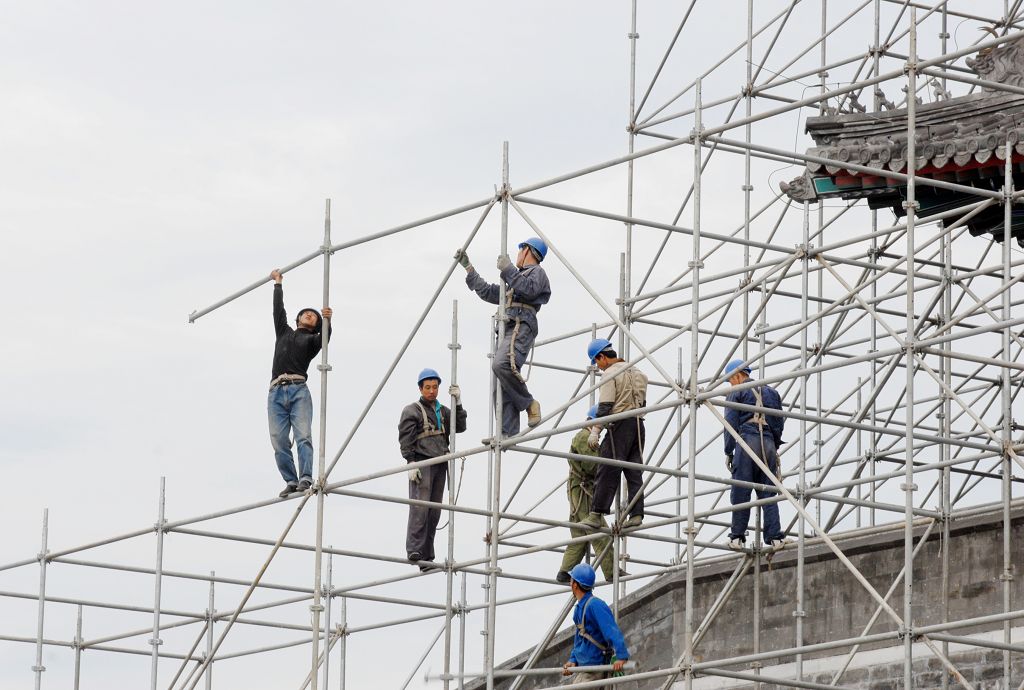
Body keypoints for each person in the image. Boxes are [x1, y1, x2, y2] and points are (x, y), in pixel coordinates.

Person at [454, 238, 551, 437]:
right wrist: (469, 269)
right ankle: (507, 432)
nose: (516, 256)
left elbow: (529, 290)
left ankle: (529, 402)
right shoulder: (515, 279)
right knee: (501, 381)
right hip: (508, 325)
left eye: (519, 250)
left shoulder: (537, 273)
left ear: (528, 251)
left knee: (502, 365)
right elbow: (489, 292)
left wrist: (508, 270)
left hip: (520, 325)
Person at [268, 269, 332, 498]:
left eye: (312, 316)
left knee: (303, 435)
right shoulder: (284, 332)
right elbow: (278, 311)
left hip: (298, 389)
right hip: (276, 390)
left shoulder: (312, 341)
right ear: (297, 319)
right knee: (278, 440)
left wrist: (327, 320)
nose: (309, 315)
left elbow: (325, 338)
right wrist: (278, 284)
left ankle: (306, 477)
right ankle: (291, 480)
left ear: (314, 325)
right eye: (305, 313)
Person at [398, 368, 467, 571]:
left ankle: (427, 556)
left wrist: (459, 402)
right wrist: (411, 462)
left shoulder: (443, 411)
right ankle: (414, 550)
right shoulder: (412, 410)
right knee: (420, 508)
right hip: (422, 463)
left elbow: (460, 426)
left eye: (435, 387)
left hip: (440, 463)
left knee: (434, 511)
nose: (431, 391)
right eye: (427, 387)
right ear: (420, 388)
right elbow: (405, 438)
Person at [722, 359, 789, 552]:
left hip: (746, 440)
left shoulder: (736, 392)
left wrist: (728, 450)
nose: (731, 384)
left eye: (730, 380)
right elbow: (778, 422)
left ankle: (737, 537)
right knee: (768, 491)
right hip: (767, 442)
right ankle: (775, 537)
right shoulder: (772, 392)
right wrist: (773, 444)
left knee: (741, 489)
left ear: (736, 375)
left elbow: (730, 422)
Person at [581, 339, 648, 530]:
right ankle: (636, 514)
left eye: (597, 362)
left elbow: (605, 406)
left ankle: (596, 513)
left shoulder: (611, 373)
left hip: (619, 425)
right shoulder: (638, 372)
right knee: (634, 470)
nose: (599, 367)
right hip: (638, 424)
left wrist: (595, 431)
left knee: (607, 467)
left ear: (602, 357)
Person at [556, 405, 614, 585]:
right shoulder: (583, 437)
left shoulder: (585, 435)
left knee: (580, 536)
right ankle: (611, 571)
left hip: (581, 490)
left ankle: (564, 572)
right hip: (582, 492)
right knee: (599, 532)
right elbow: (593, 466)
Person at [561, 564, 629, 685]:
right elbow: (579, 639)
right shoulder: (579, 609)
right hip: (586, 668)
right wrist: (573, 660)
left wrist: (621, 656)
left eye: (571, 580)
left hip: (595, 668)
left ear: (575, 585)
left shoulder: (595, 605)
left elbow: (612, 630)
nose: (570, 583)